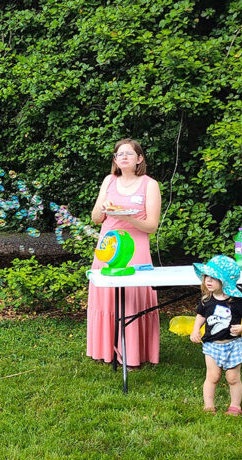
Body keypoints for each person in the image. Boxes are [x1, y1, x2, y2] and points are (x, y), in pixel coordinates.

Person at [87, 138, 162, 368]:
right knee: (107, 298)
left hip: (136, 247)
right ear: (115, 160)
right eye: (120, 154)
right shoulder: (109, 181)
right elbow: (96, 218)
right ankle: (105, 350)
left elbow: (151, 226)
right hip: (108, 246)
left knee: (132, 299)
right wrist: (105, 208)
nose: (124, 157)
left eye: (130, 153)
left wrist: (127, 217)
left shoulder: (150, 185)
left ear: (139, 159)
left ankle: (134, 354)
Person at [189, 255, 242, 416]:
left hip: (233, 344)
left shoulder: (236, 300)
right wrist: (196, 329)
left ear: (225, 281)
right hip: (212, 345)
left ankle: (235, 406)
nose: (208, 281)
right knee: (213, 376)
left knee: (233, 378)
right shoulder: (207, 299)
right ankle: (209, 405)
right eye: (207, 277)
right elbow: (201, 316)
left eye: (214, 278)